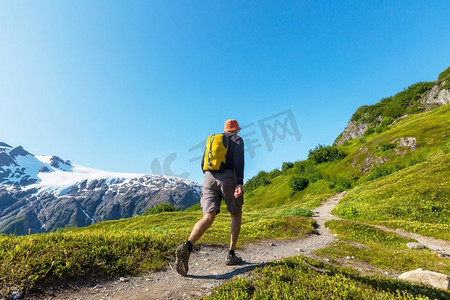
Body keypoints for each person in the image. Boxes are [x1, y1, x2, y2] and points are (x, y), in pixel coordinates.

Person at [175, 119, 245, 276]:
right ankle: (231, 254)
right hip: (228, 177)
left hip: (208, 177)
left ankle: (187, 245)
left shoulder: (214, 140)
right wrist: (238, 183)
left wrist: (212, 178)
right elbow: (239, 162)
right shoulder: (237, 140)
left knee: (208, 216)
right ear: (236, 130)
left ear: (225, 129)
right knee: (236, 213)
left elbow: (202, 163)